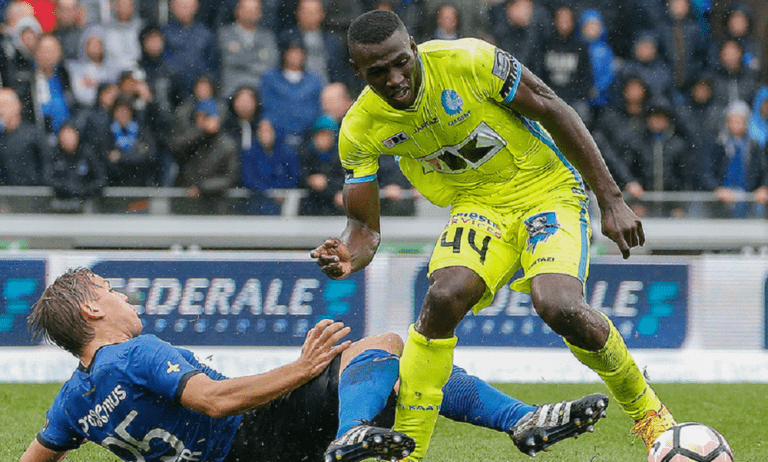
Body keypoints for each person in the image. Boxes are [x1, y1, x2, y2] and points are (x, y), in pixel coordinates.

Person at [310, 10, 676, 461]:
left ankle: (651, 415)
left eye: (401, 62)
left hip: (545, 189)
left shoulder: (470, 60)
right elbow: (364, 229)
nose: (395, 79)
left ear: (414, 48)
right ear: (357, 71)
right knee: (443, 298)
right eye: (378, 72)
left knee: (558, 305)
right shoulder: (359, 127)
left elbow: (552, 107)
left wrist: (611, 198)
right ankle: (408, 455)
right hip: (478, 206)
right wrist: (349, 255)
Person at [20, 267, 610, 462]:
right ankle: (356, 430)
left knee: (397, 372)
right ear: (92, 309)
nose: (125, 297)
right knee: (379, 346)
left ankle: (523, 421)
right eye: (111, 291)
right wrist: (302, 369)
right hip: (252, 437)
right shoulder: (134, 353)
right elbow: (215, 401)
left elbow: (34, 458)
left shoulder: (74, 398)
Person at [217, 0, 279, 98]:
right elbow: (226, 60)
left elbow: (271, 65)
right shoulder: (224, 34)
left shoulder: (268, 36)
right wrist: (256, 59)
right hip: (231, 92)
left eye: (254, 9)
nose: (250, 13)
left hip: (260, 93)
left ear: (260, 13)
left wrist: (240, 63)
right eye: (246, 9)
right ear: (237, 11)